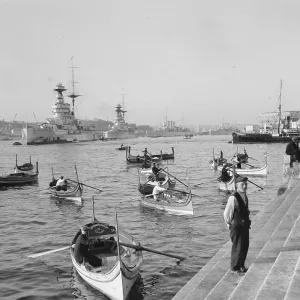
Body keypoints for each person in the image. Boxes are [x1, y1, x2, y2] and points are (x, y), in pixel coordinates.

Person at [223, 175, 251, 274]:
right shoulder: (233, 198)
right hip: (237, 227)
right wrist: (229, 224)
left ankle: (241, 265)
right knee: (237, 247)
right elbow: (227, 213)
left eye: (246, 184)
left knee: (244, 246)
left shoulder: (245, 196)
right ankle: (235, 268)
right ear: (237, 185)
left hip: (244, 226)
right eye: (242, 185)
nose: (245, 186)